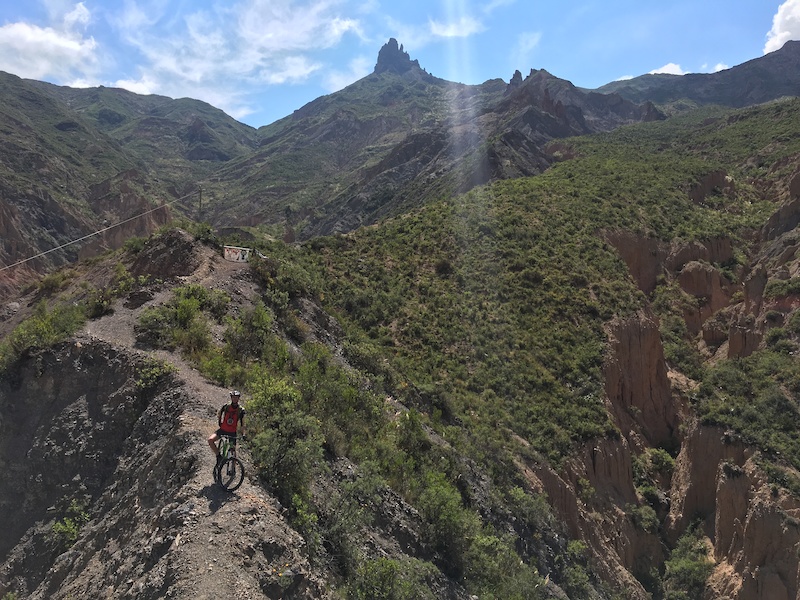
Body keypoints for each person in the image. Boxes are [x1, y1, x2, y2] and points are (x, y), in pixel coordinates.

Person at [208, 390, 246, 461]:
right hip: (222, 430)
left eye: (236, 397)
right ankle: (218, 455)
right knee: (210, 440)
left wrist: (243, 434)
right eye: (233, 397)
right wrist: (220, 422)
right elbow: (219, 414)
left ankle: (233, 469)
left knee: (233, 451)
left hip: (232, 432)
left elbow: (243, 424)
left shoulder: (241, 410)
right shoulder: (226, 406)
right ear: (231, 398)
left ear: (238, 398)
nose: (235, 399)